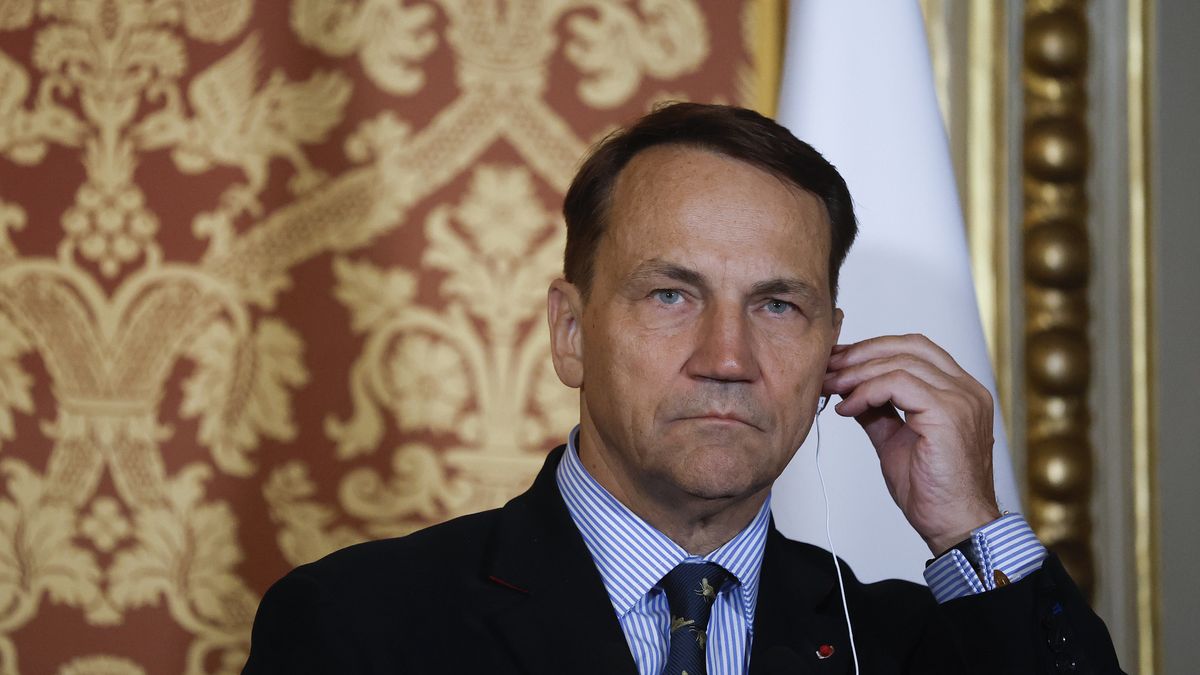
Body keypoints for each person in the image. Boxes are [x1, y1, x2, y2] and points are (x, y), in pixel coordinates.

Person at [243, 103, 1123, 674]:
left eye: (778, 304)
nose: (727, 356)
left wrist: (969, 525)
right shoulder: (358, 626)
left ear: (832, 354)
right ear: (571, 330)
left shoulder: (911, 643)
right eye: (672, 294)